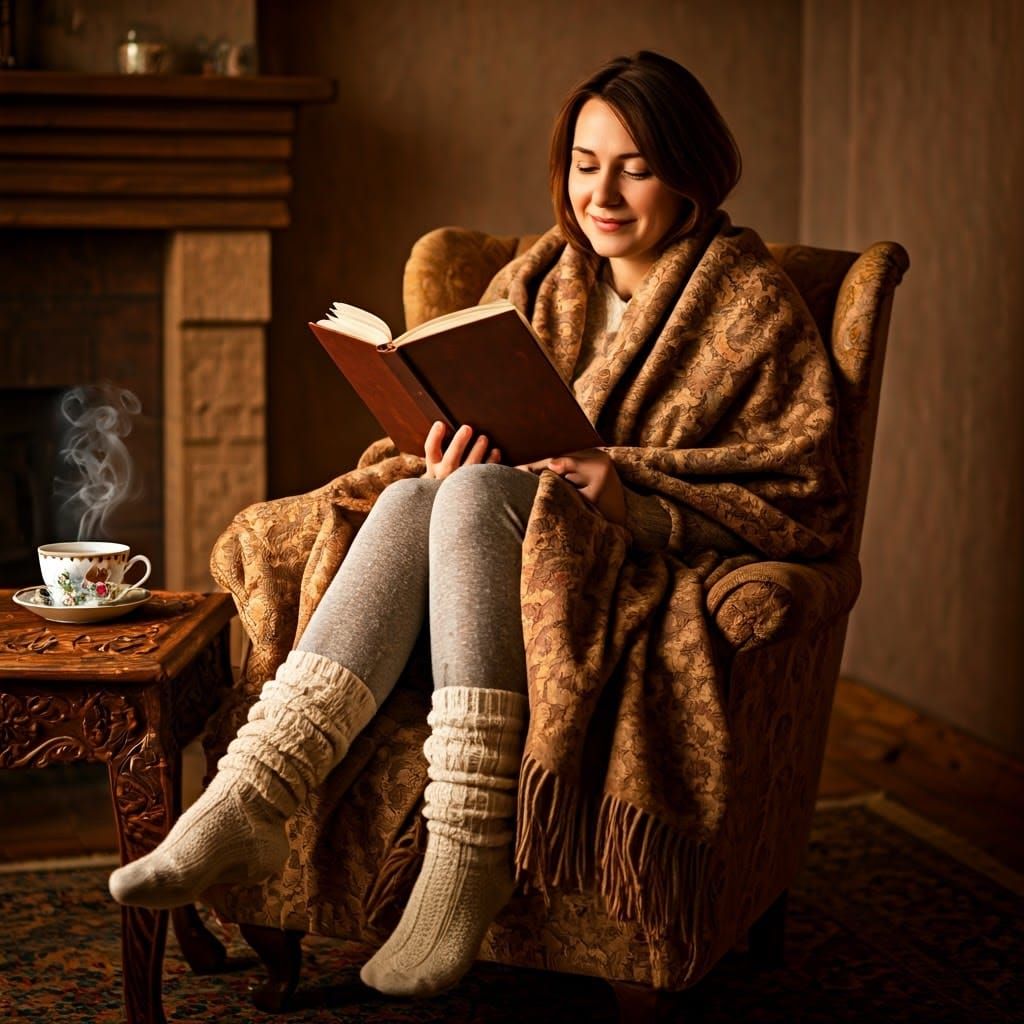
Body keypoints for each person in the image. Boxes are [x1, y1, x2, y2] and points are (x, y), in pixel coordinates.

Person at [109, 51, 846, 998]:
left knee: (461, 498)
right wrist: (450, 452)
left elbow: (801, 494)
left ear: (693, 174)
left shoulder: (749, 305)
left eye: (636, 165)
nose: (602, 193)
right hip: (492, 542)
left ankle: (465, 840)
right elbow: (474, 429)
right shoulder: (537, 277)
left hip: (632, 568)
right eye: (586, 163)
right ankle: (256, 789)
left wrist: (624, 493)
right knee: (430, 491)